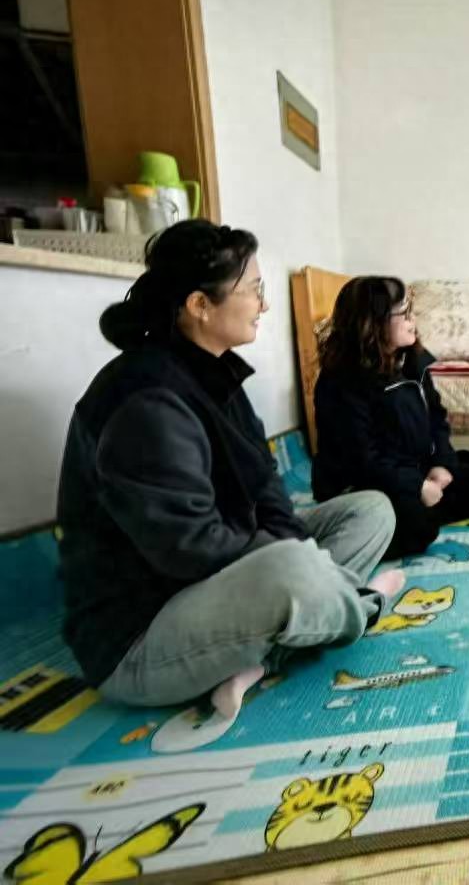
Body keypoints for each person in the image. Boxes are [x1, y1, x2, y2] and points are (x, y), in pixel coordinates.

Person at [57, 220, 402, 721]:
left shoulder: (213, 373)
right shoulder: (145, 399)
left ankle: (264, 653)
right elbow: (190, 549)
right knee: (292, 570)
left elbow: (266, 487)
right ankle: (359, 605)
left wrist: (296, 550)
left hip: (221, 576)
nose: (265, 304)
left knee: (371, 509)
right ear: (200, 304)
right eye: (255, 290)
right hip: (144, 633)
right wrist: (301, 564)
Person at [311, 276, 469, 560]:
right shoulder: (341, 380)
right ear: (373, 322)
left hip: (416, 468)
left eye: (411, 310)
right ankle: (405, 513)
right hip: (368, 485)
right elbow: (362, 460)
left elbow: (437, 417)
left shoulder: (411, 359)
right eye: (404, 313)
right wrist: (416, 486)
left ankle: (420, 505)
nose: (413, 319)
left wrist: (442, 463)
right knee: (420, 528)